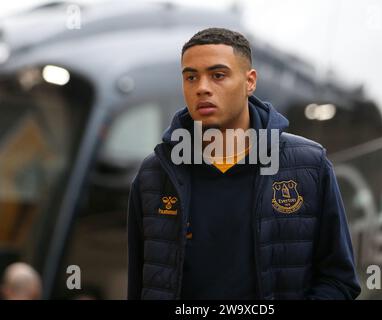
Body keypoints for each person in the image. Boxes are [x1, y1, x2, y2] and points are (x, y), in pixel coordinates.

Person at [127, 27, 361, 300]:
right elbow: (139, 286)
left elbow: (340, 281)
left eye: (218, 75)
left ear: (250, 82)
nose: (202, 88)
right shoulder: (153, 174)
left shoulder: (309, 165)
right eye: (191, 77)